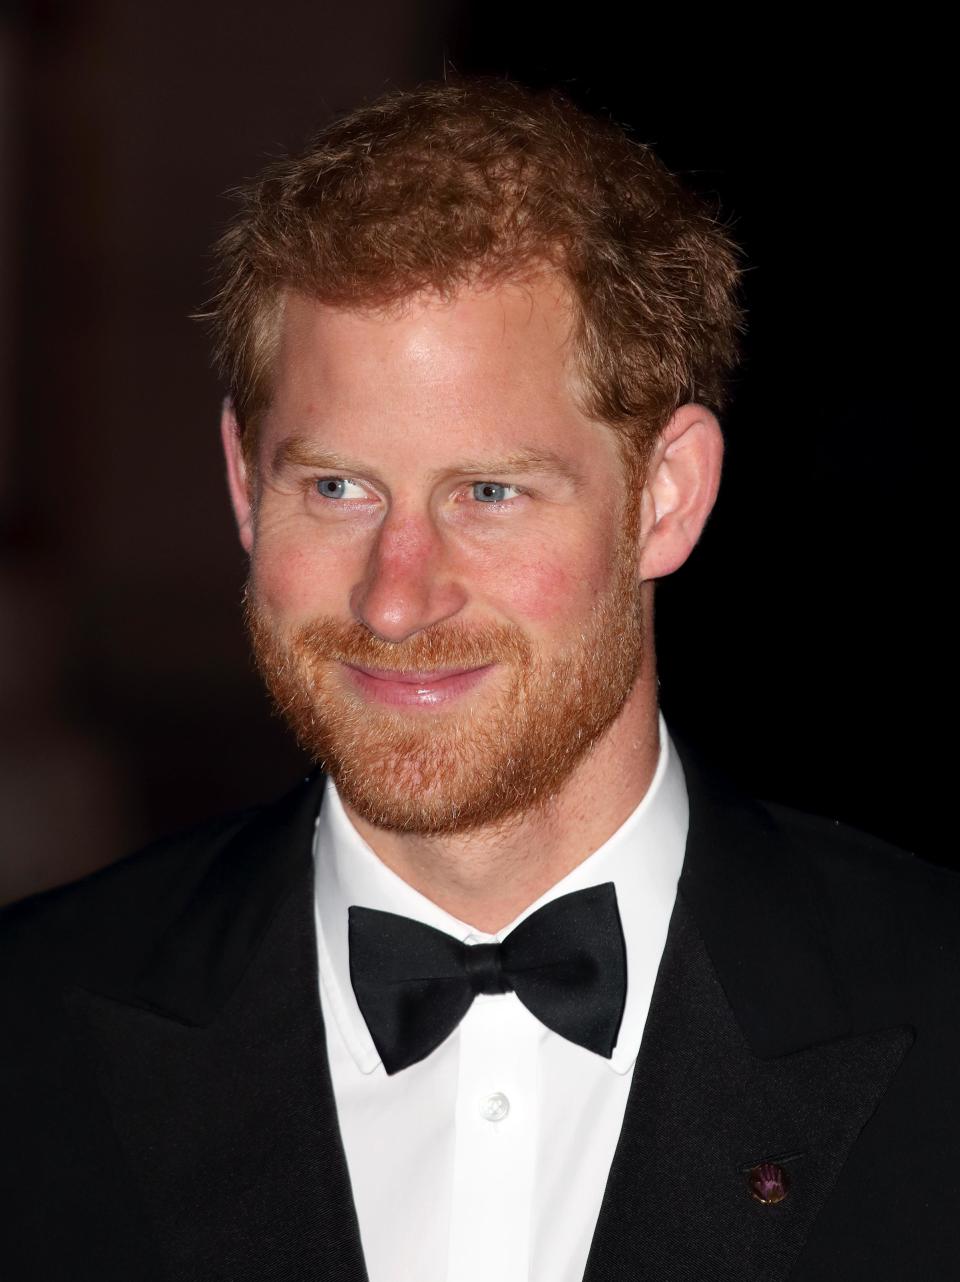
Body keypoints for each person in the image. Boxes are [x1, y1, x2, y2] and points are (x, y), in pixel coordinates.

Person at [2, 79, 957, 1282]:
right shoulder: (27, 1036)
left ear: (665, 496)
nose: (396, 597)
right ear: (246, 486)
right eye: (337, 488)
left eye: (489, 494)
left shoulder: (940, 1015)